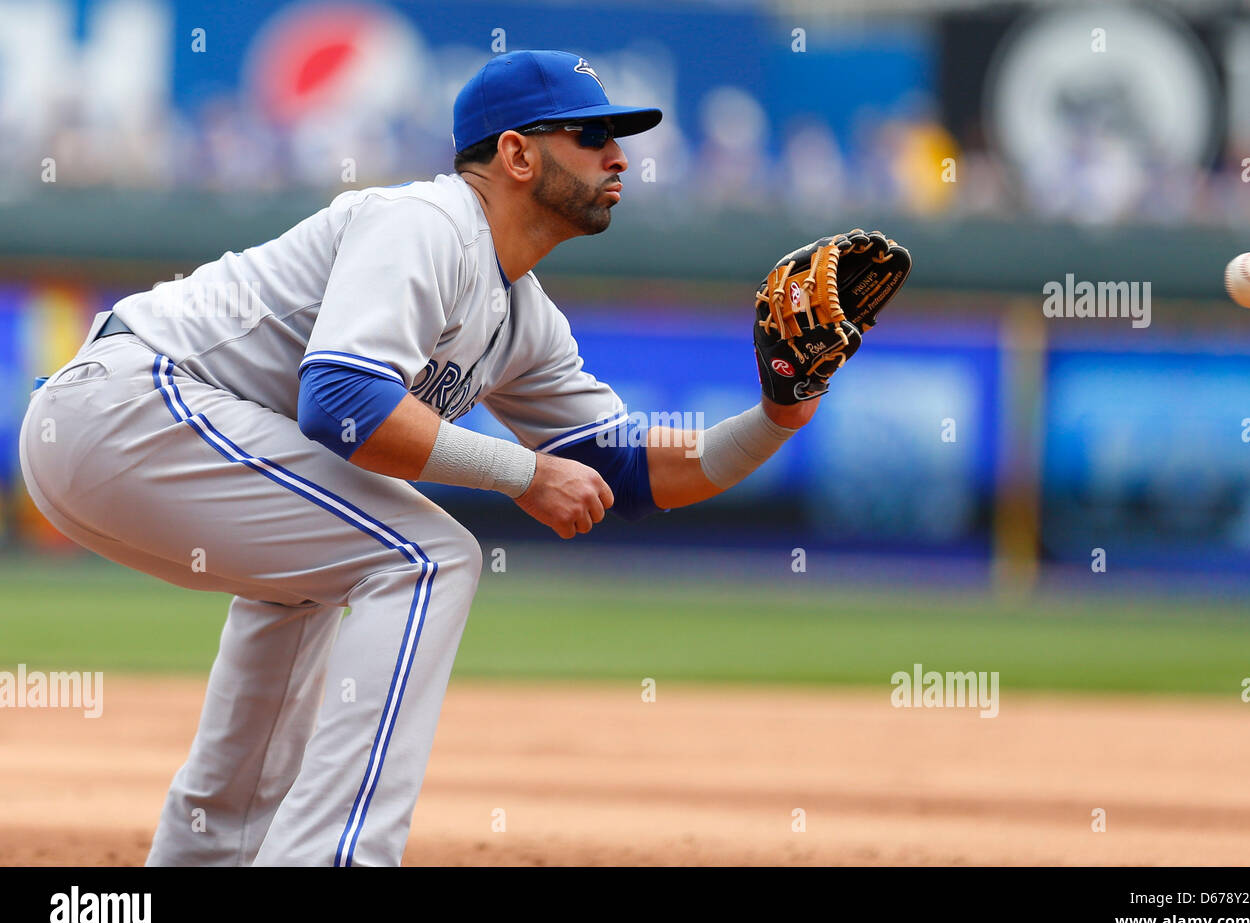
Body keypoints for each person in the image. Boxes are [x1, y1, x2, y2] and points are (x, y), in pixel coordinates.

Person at [18, 50, 817, 866]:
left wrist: (776, 417)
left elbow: (631, 474)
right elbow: (342, 406)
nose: (619, 157)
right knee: (429, 558)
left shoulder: (524, 319)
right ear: (516, 154)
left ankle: (206, 857)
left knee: (307, 586)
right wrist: (524, 472)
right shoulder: (425, 224)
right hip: (130, 403)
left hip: (138, 430)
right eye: (592, 136)